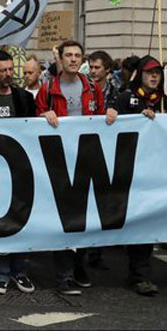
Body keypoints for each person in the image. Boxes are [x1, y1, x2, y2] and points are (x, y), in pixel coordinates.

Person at [37, 40, 117, 296]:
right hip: (59, 160)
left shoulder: (92, 88)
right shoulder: (48, 88)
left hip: (85, 159)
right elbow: (31, 120)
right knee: (63, 218)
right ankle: (64, 276)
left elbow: (102, 117)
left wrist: (111, 114)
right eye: (68, 55)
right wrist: (42, 117)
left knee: (84, 217)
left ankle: (78, 266)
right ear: (60, 59)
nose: (73, 59)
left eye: (77, 55)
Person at [112, 55, 167, 296]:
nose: (154, 76)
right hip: (131, 169)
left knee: (147, 224)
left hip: (157, 171)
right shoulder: (127, 98)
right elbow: (112, 123)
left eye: (158, 72)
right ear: (140, 74)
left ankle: (141, 275)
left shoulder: (166, 102)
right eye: (149, 72)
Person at [0, 49, 37, 296]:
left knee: (21, 219)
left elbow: (33, 128)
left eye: (11, 69)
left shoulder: (24, 97)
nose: (8, 74)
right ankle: (1, 272)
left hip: (20, 168)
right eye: (2, 70)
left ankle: (19, 270)